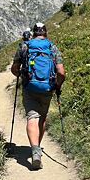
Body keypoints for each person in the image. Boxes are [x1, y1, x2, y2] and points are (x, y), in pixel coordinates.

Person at [11, 22, 65, 170]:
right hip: (48, 89)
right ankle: (38, 148)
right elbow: (61, 72)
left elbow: (14, 68)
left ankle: (35, 151)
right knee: (42, 117)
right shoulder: (52, 47)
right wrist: (57, 86)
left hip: (30, 88)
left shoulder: (25, 46)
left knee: (32, 117)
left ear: (34, 33)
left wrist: (20, 74)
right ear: (45, 33)